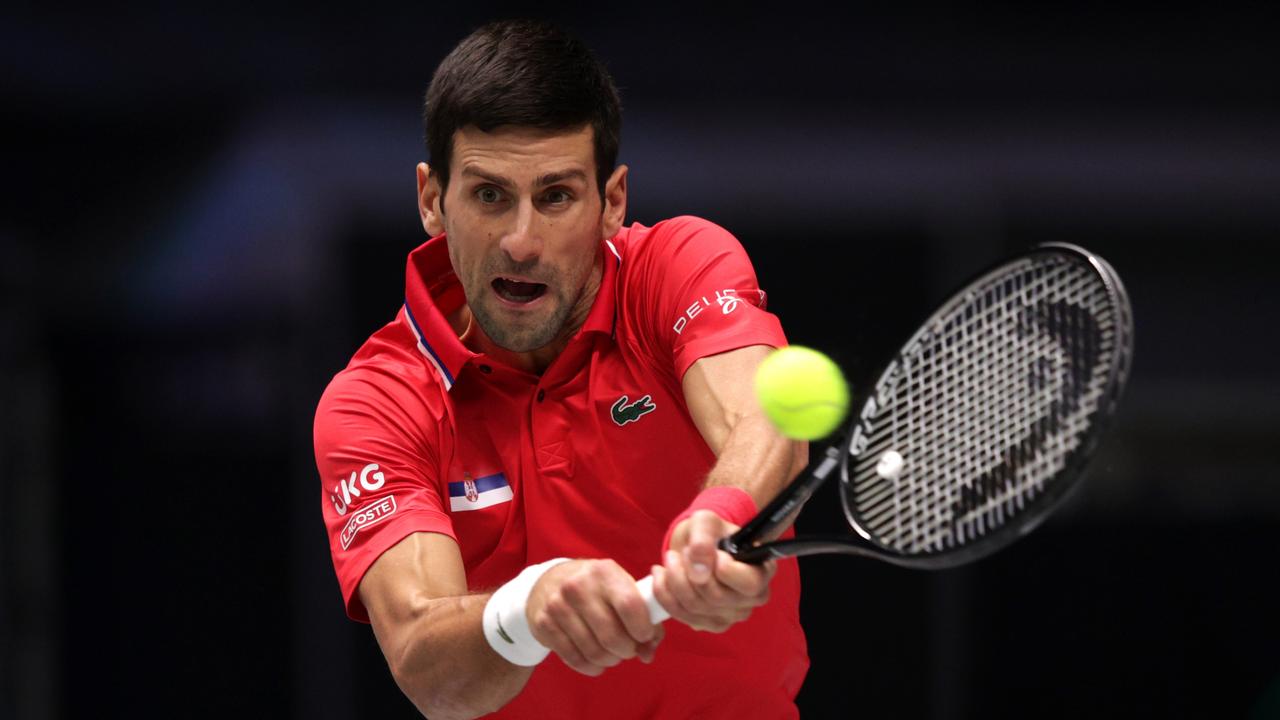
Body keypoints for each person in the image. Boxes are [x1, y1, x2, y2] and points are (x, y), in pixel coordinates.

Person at [314, 19, 809, 720]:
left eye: (555, 197)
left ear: (611, 202)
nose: (521, 241)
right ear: (432, 200)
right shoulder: (378, 402)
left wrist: (719, 517)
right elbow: (427, 667)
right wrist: (527, 608)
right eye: (489, 195)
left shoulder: (676, 268)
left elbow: (761, 417)